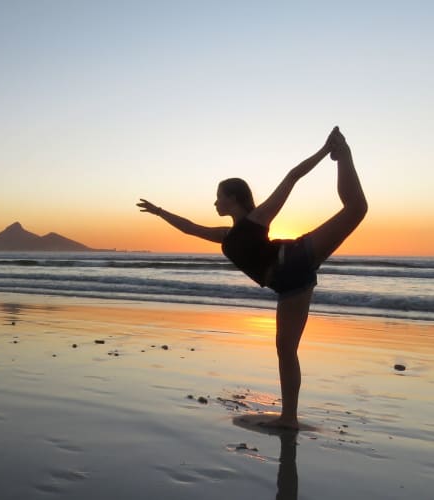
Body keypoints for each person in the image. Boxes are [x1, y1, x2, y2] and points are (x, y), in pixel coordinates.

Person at [137, 127, 367, 429]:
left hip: (295, 259)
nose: (215, 203)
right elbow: (189, 227)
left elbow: (291, 177)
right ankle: (290, 418)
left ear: (232, 197)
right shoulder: (226, 235)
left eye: (218, 197)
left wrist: (325, 152)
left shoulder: (257, 219)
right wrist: (159, 212)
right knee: (285, 349)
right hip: (288, 284)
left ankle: (342, 153)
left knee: (356, 209)